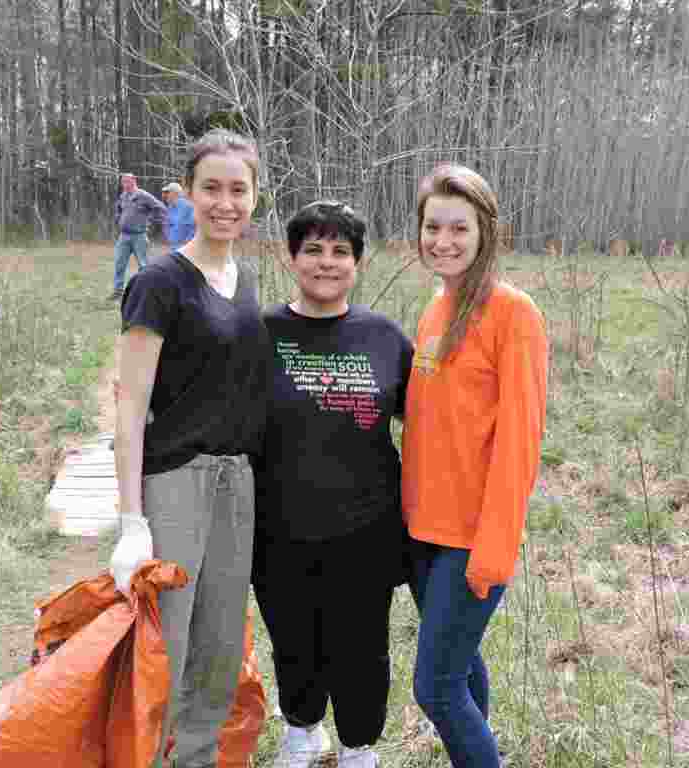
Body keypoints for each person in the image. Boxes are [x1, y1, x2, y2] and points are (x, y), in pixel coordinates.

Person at [109, 129, 270, 768]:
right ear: (188, 193)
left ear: (254, 197)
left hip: (238, 483)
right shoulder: (159, 282)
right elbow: (129, 405)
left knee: (220, 645)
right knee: (166, 645)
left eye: (238, 190)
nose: (225, 203)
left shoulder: (245, 280)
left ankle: (197, 757)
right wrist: (132, 521)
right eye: (212, 188)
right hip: (176, 480)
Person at [252, 201, 414, 768]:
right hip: (278, 527)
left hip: (366, 529)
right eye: (313, 250)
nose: (327, 262)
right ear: (291, 258)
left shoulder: (383, 337)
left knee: (362, 647)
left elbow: (427, 423)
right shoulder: (260, 334)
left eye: (341, 251)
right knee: (292, 640)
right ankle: (302, 733)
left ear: (357, 262)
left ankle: (358, 747)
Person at [401, 164, 548, 768]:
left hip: (470, 539)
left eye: (458, 228)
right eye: (432, 226)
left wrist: (494, 547)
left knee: (435, 687)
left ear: (486, 230)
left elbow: (520, 442)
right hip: (422, 533)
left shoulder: (514, 314)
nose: (443, 240)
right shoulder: (436, 308)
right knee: (459, 670)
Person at [111, 172, 167, 301]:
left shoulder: (143, 195)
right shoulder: (123, 196)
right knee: (119, 264)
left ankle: (147, 292)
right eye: (123, 182)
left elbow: (160, 208)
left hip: (139, 236)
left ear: (134, 181)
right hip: (124, 236)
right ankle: (118, 292)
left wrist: (151, 220)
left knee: (144, 266)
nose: (124, 185)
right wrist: (119, 218)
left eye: (127, 182)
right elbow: (119, 209)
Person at [162, 181, 196, 253]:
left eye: (168, 192)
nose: (165, 195)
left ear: (175, 193)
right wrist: (168, 236)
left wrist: (187, 242)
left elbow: (193, 226)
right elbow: (167, 223)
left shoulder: (187, 206)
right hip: (173, 244)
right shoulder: (170, 206)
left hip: (184, 246)